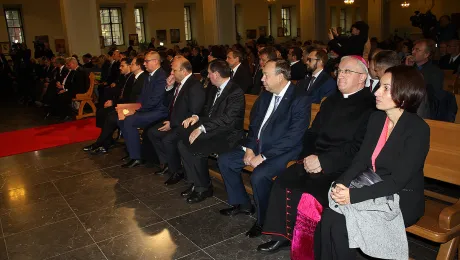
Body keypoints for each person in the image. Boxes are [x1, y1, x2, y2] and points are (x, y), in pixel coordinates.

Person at [258, 56, 376, 253]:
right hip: (315, 159)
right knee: (283, 182)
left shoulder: (371, 106)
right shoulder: (330, 101)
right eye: (339, 71)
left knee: (310, 195)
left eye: (347, 71)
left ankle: (309, 247)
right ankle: (282, 236)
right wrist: (308, 157)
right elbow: (312, 132)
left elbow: (360, 148)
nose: (340, 75)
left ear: (362, 77)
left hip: (343, 166)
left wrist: (324, 162)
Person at [315, 65, 430, 260]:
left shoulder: (417, 129)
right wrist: (342, 183)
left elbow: (398, 181)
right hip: (372, 186)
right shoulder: (377, 119)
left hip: (401, 197)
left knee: (342, 224)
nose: (377, 91)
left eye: (385, 88)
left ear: (404, 92)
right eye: (379, 86)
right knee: (329, 217)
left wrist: (353, 195)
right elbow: (361, 160)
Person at [218, 59, 311, 238]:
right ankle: (243, 204)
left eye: (266, 75)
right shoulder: (266, 94)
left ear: (281, 76)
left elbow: (294, 137)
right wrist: (251, 148)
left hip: (283, 151)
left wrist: (264, 155)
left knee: (260, 175)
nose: (262, 79)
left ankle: (264, 221)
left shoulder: (299, 98)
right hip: (258, 147)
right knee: (226, 160)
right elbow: (254, 125)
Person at [177, 59, 245, 203]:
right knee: (182, 143)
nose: (207, 76)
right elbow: (207, 109)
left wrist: (202, 128)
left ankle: (204, 188)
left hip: (228, 134)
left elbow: (227, 120)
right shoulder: (214, 88)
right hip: (214, 129)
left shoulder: (235, 92)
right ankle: (195, 182)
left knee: (196, 145)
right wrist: (196, 117)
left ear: (216, 74)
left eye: (209, 73)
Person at [147, 56, 205, 181]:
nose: (171, 73)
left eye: (174, 70)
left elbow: (194, 113)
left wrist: (172, 123)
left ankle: (177, 171)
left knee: (167, 140)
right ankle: (168, 163)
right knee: (152, 132)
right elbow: (169, 104)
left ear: (184, 71)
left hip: (185, 126)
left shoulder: (194, 86)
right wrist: (169, 87)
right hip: (174, 122)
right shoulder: (180, 84)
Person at [118, 51, 169, 168]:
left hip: (158, 111)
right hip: (148, 109)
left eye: (147, 61)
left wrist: (137, 110)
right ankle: (132, 150)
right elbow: (142, 96)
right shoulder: (149, 75)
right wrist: (134, 107)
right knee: (120, 118)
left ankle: (136, 157)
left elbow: (155, 100)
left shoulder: (161, 76)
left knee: (129, 121)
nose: (144, 64)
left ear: (155, 62)